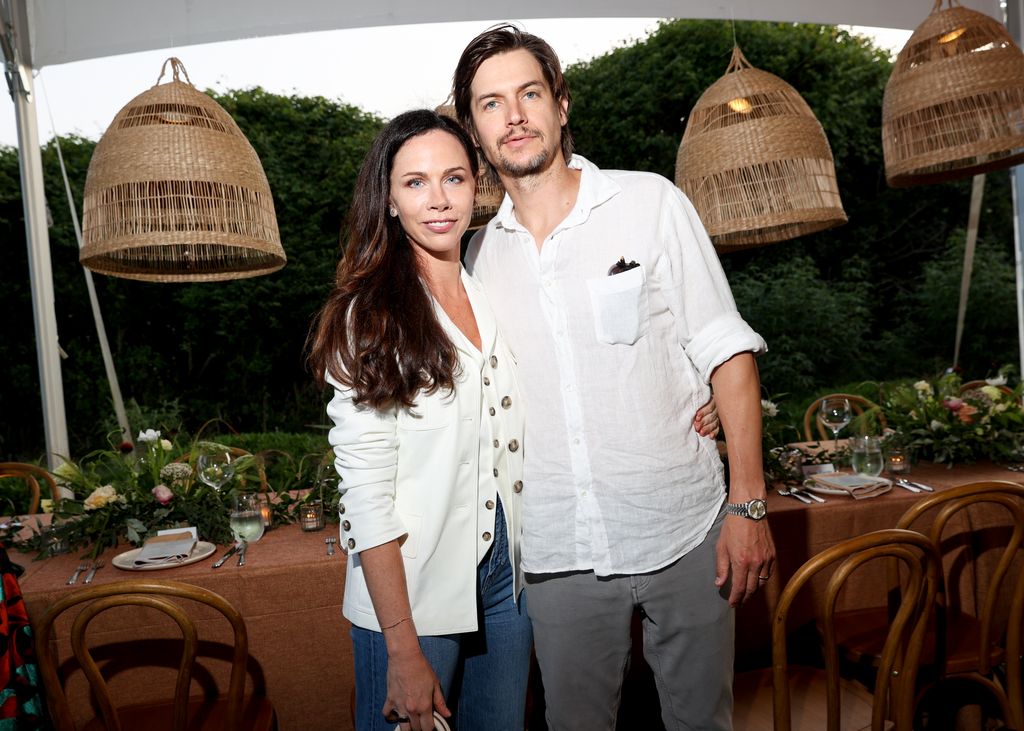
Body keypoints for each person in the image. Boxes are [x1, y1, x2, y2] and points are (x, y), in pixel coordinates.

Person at [453, 25, 777, 730]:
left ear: (560, 104)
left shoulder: (650, 203)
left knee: (703, 723)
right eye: (490, 103)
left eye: (529, 93)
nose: (513, 115)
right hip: (556, 551)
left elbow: (725, 351)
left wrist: (748, 503)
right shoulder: (473, 260)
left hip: (686, 530)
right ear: (474, 131)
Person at [307, 110, 532, 731]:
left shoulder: (489, 289)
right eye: (416, 182)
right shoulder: (368, 315)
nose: (438, 200)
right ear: (388, 199)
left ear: (475, 187)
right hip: (410, 597)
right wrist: (401, 647)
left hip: (505, 580)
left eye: (454, 179)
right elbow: (367, 499)